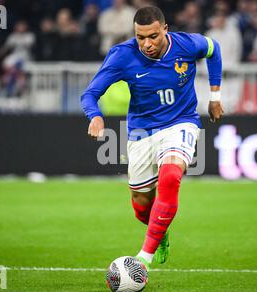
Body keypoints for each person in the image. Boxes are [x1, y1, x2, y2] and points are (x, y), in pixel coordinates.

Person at [81, 6, 223, 270]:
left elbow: (214, 49)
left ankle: (143, 259)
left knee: (170, 176)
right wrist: (95, 116)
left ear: (165, 29)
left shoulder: (187, 44)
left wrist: (215, 96)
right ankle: (160, 232)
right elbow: (90, 94)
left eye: (153, 36)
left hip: (181, 122)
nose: (146, 44)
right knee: (141, 208)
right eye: (140, 37)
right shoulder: (122, 56)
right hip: (141, 132)